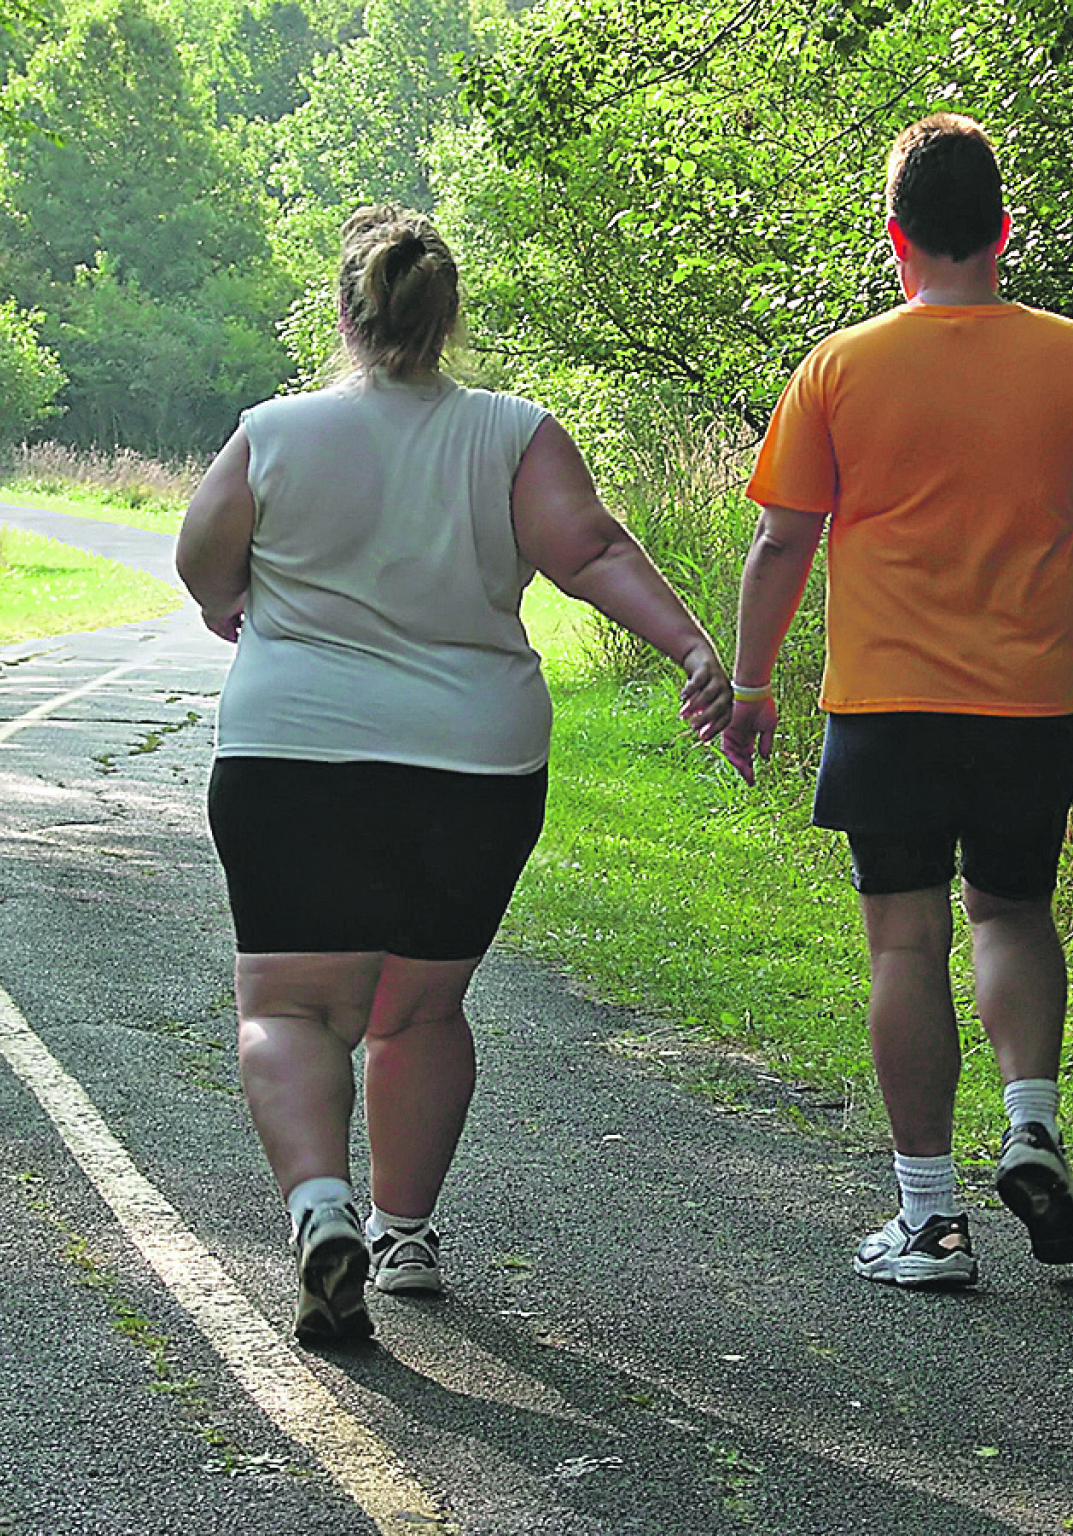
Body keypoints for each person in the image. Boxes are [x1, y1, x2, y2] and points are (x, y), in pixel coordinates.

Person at [177, 205, 732, 1343]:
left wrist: (228, 600)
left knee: (288, 1003)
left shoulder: (274, 431)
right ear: (447, 317)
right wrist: (690, 648)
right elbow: (592, 552)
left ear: (344, 310)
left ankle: (320, 1207)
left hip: (293, 752)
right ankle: (405, 1236)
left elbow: (201, 556)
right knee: (420, 1005)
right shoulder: (514, 433)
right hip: (471, 764)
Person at [720, 114, 1073, 1289]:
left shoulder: (839, 366)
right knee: (1012, 912)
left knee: (904, 941)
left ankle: (928, 1222)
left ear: (894, 237)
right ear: (1003, 231)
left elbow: (780, 543)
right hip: (1029, 703)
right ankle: (1031, 1124)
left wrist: (752, 683)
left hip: (889, 705)